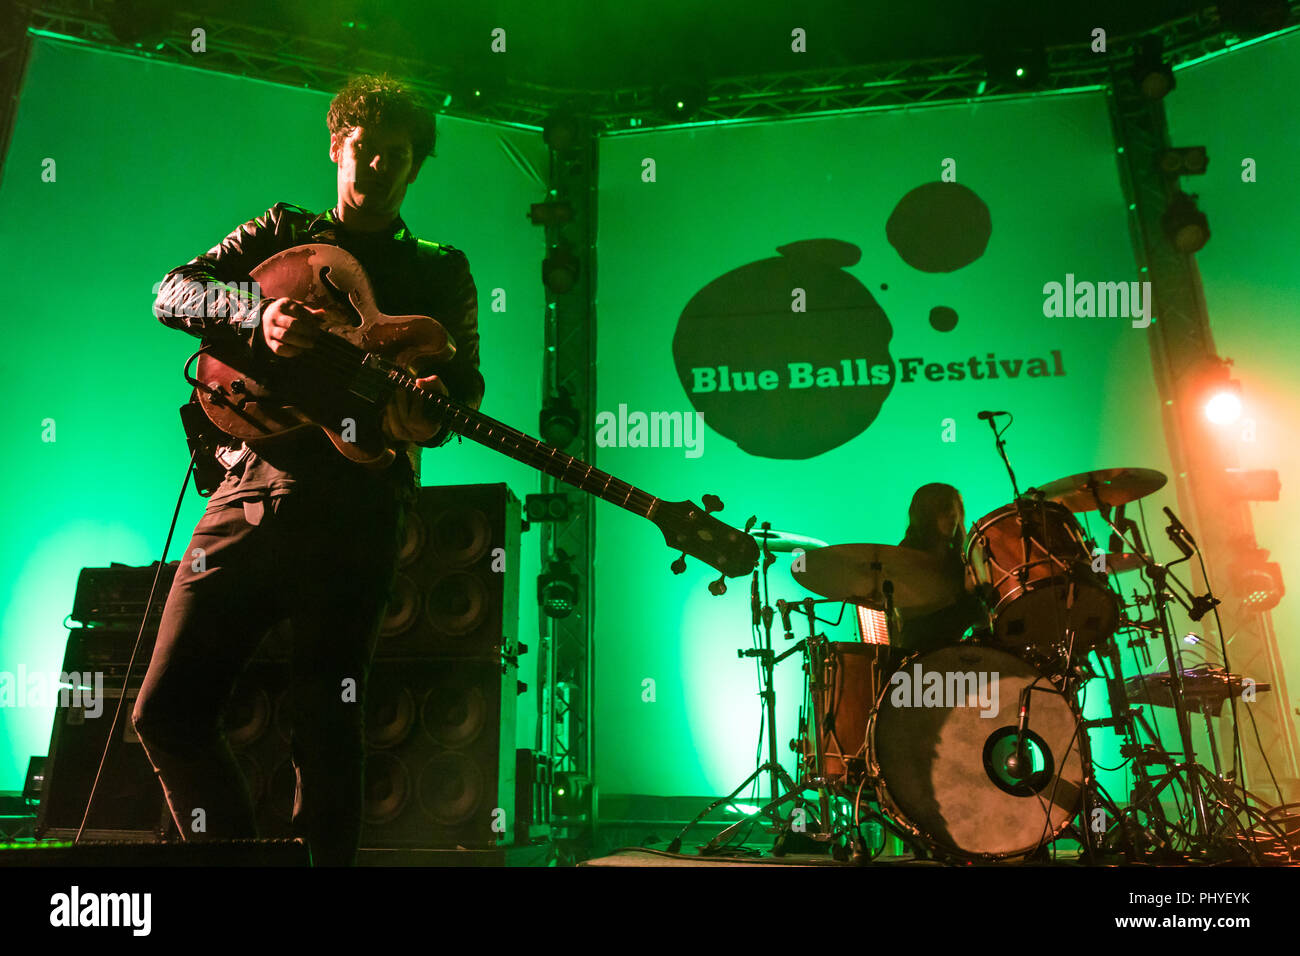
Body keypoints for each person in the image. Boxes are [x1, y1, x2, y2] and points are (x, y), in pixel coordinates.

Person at [131, 73, 482, 866]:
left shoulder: (441, 270)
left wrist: (436, 403)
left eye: (398, 156)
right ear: (336, 147)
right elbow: (172, 291)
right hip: (250, 487)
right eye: (365, 151)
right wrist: (259, 314)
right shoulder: (285, 229)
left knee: (326, 718)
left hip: (359, 508)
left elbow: (465, 387)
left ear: (416, 166)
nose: (378, 168)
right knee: (166, 713)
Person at [892, 483, 988, 661]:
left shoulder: (957, 556)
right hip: (925, 657)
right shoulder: (908, 554)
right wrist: (966, 593)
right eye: (944, 508)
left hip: (957, 656)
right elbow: (925, 626)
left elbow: (978, 619)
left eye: (955, 508)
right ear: (926, 514)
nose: (953, 514)